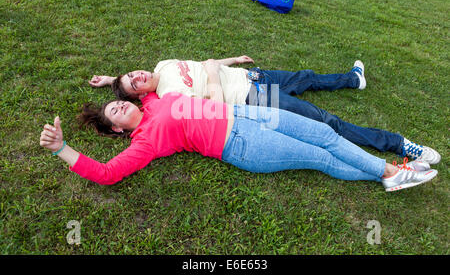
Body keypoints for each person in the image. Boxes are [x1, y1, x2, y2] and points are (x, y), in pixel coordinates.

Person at [39, 92, 438, 192]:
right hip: (243, 145)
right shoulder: (144, 141)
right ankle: (389, 171)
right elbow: (107, 174)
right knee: (319, 156)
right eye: (113, 115)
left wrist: (110, 84)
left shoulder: (154, 100)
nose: (118, 108)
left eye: (116, 104)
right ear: (117, 131)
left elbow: (135, 81)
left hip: (249, 113)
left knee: (326, 134)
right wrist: (61, 148)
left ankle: (389, 174)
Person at [88, 56, 441, 164]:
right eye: (133, 83)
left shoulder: (163, 65)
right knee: (323, 120)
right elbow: (210, 104)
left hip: (248, 74)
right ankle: (397, 145)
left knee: (304, 77)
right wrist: (111, 88)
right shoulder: (165, 96)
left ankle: (352, 80)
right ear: (139, 97)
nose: (138, 76)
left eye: (133, 72)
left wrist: (231, 61)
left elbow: (203, 63)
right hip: (252, 100)